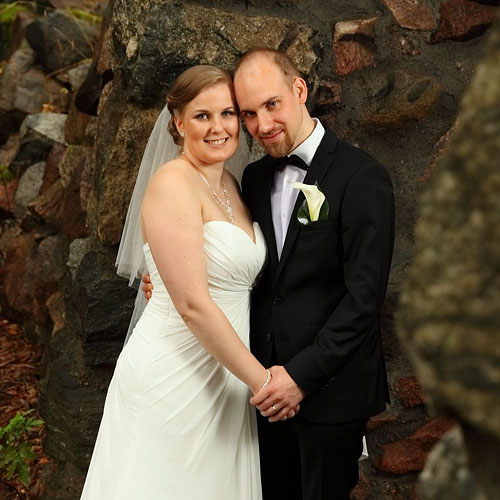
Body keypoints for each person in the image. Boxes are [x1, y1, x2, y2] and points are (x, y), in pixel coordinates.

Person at [143, 49, 395, 500]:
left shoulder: (363, 178)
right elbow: (237, 271)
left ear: (299, 91)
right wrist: (161, 280)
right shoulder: (252, 180)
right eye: (249, 113)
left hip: (327, 391)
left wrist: (297, 377)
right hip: (255, 393)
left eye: (272, 105)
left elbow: (363, 301)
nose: (262, 125)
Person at [80, 65, 294, 500]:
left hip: (225, 375)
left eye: (228, 113)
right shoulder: (172, 183)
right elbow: (192, 303)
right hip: (174, 375)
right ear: (177, 122)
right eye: (202, 116)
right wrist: (263, 382)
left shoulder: (233, 184)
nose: (219, 127)